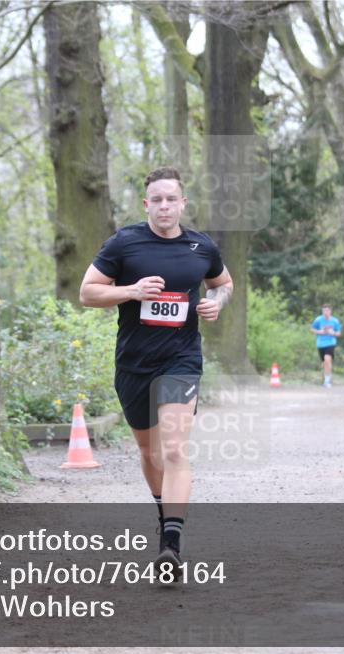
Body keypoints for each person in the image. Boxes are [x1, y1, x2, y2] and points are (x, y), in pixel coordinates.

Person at [79, 166, 233, 573]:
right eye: (157, 200)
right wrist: (130, 291)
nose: (165, 206)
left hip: (181, 360)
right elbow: (87, 292)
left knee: (174, 448)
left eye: (172, 199)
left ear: (183, 203)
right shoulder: (124, 244)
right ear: (147, 204)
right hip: (133, 363)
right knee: (149, 453)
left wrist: (216, 303)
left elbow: (223, 284)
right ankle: (165, 515)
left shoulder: (202, 248)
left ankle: (171, 546)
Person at [310, 304, 341, 387]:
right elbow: (312, 329)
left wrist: (333, 333)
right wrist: (319, 332)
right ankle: (326, 378)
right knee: (324, 363)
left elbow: (339, 333)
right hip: (320, 344)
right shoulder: (318, 320)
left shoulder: (335, 321)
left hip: (331, 343)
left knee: (327, 359)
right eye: (324, 311)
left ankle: (327, 381)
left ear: (330, 311)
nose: (325, 312)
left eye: (327, 310)